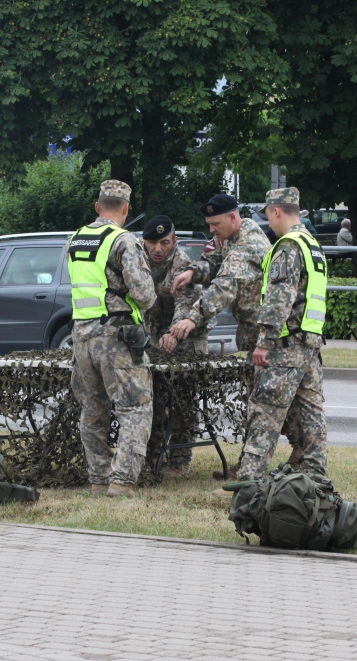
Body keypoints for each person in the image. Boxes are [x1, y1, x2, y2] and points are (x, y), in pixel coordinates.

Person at [68, 180, 156, 498]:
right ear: (125, 208)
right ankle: (121, 481)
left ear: (97, 206)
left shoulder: (75, 240)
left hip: (81, 337)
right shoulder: (123, 241)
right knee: (135, 407)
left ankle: (98, 479)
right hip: (116, 337)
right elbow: (144, 296)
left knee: (92, 410)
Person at [237, 187, 329, 482]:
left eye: (267, 214)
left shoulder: (287, 246)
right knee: (311, 415)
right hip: (309, 345)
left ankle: (248, 482)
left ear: (276, 210)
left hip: (285, 346)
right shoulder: (311, 244)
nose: (268, 221)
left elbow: (280, 298)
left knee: (264, 414)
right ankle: (314, 478)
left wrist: (264, 342)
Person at [137, 215, 206, 480]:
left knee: (183, 400)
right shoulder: (138, 259)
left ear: (174, 241)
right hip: (153, 337)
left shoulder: (182, 263)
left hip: (188, 335)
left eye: (164, 242)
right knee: (154, 396)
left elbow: (186, 302)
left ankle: (179, 459)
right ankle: (153, 455)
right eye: (152, 242)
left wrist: (174, 332)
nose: (157, 249)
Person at [169, 193, 271, 362]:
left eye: (215, 224)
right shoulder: (229, 237)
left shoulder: (247, 245)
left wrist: (193, 317)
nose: (211, 230)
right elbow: (213, 262)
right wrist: (191, 272)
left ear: (232, 217)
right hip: (253, 336)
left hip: (264, 340)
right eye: (209, 224)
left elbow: (225, 285)